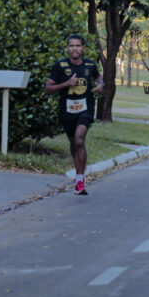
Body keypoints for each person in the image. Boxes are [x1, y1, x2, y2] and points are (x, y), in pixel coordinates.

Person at [45, 34, 103, 195]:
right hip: (67, 111)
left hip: (86, 109)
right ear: (67, 48)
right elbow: (47, 89)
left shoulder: (90, 65)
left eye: (78, 46)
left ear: (83, 48)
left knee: (79, 139)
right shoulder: (60, 66)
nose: (75, 49)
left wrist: (100, 85)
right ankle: (79, 167)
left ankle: (80, 182)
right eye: (72, 46)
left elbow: (99, 78)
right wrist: (66, 84)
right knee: (75, 145)